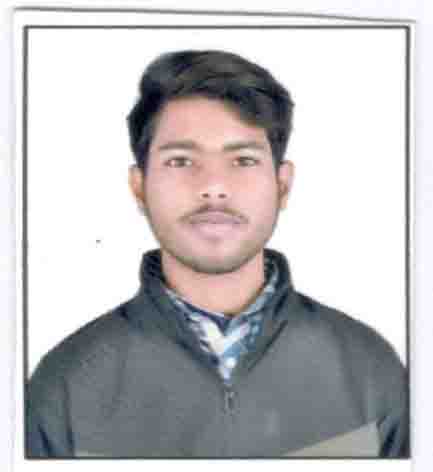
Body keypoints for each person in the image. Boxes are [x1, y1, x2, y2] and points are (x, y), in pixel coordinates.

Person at [26, 50, 409, 458]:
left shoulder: (370, 370)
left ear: (282, 185)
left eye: (243, 160)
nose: (213, 187)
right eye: (181, 161)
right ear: (139, 187)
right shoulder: (65, 385)